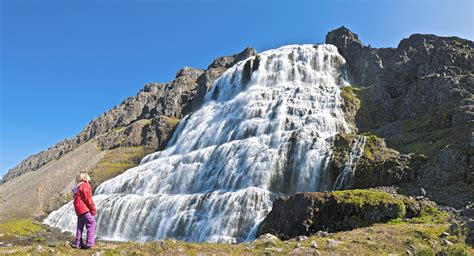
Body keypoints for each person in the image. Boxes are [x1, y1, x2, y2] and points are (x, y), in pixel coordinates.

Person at [71, 172, 97, 249]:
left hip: (78, 209)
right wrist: (93, 209)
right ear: (85, 178)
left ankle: (78, 243)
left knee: (80, 226)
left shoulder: (77, 187)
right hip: (84, 209)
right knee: (92, 223)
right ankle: (90, 243)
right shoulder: (85, 185)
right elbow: (88, 198)